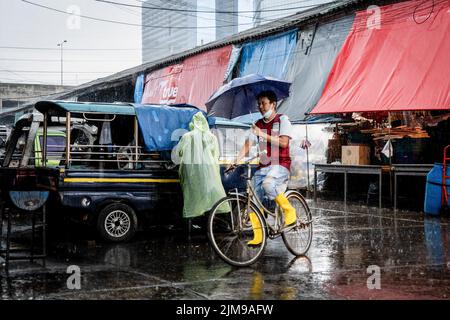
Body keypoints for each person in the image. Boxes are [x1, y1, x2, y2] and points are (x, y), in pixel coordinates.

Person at [227, 90, 296, 245]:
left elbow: (284, 142)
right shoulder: (257, 125)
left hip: (280, 165)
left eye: (264, 103)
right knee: (253, 200)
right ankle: (259, 236)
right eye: (259, 104)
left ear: (273, 104)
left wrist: (262, 135)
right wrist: (236, 161)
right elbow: (247, 145)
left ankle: (289, 210)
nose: (261, 107)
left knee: (268, 184)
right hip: (263, 167)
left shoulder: (282, 120)